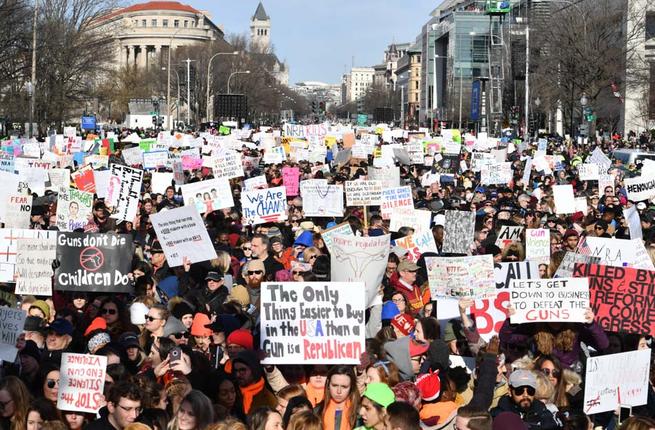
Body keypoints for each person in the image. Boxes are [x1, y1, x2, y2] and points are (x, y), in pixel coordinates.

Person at [490, 369, 560, 429]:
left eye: (530, 391)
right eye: (519, 390)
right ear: (510, 392)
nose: (525, 395)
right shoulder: (498, 415)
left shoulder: (543, 412)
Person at [315, 365, 360, 430]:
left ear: (351, 387)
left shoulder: (359, 413)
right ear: (328, 384)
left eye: (344, 387)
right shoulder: (317, 412)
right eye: (335, 385)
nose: (339, 391)